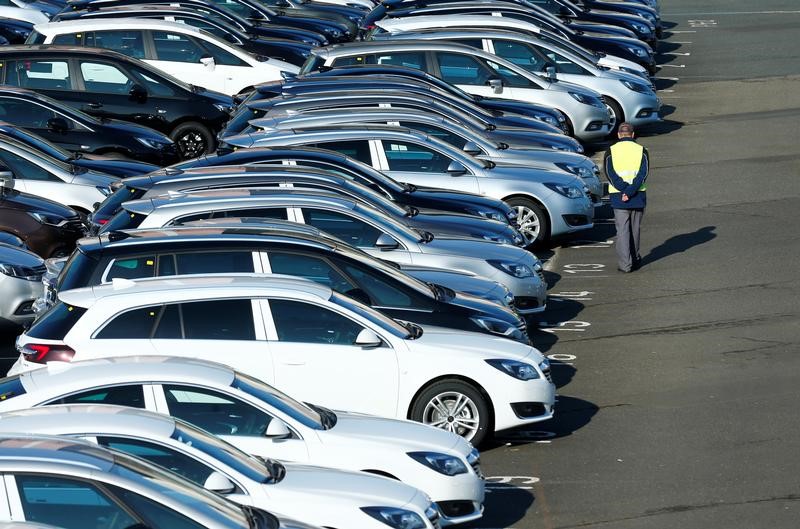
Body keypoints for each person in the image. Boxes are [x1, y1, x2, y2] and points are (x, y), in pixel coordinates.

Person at [604, 122, 649, 273]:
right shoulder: (641, 150)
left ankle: (625, 264)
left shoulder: (611, 151)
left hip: (618, 196)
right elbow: (643, 175)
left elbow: (610, 174)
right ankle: (635, 259)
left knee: (622, 232)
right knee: (635, 230)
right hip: (637, 196)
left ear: (618, 135)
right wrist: (630, 191)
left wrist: (623, 190)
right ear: (633, 134)